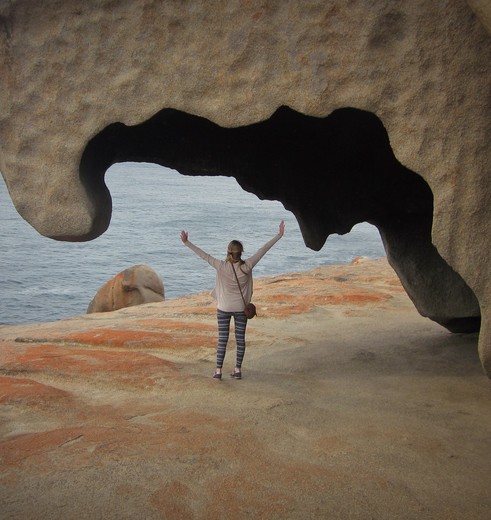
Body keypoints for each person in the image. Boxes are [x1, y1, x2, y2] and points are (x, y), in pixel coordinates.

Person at [180, 221, 285, 380]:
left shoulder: (221, 266)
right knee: (240, 339)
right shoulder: (247, 266)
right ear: (241, 252)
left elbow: (203, 255)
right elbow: (263, 250)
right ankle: (237, 370)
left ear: (228, 252)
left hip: (223, 307)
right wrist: (279, 235)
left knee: (223, 339)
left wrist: (187, 242)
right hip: (241, 308)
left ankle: (218, 371)